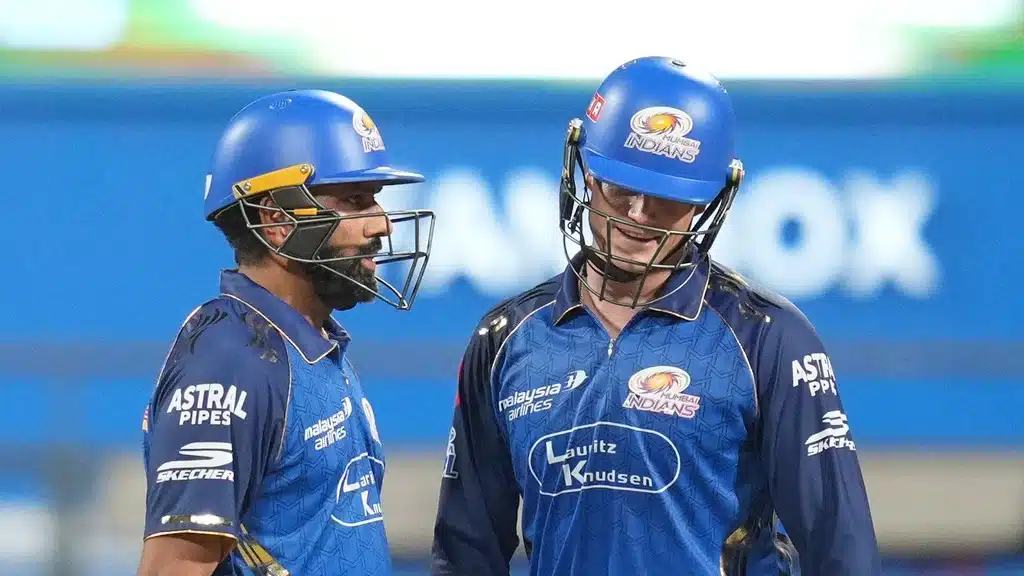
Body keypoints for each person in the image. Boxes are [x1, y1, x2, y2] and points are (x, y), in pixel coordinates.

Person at [431, 57, 882, 575]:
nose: (638, 215)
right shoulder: (504, 340)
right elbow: (465, 553)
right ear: (586, 172)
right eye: (621, 188)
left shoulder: (769, 338)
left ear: (708, 200)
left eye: (667, 198)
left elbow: (842, 547)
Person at [136, 89, 435, 576]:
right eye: (356, 201)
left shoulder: (306, 345)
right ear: (277, 221)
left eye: (376, 200)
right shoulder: (230, 360)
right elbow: (173, 567)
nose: (381, 223)